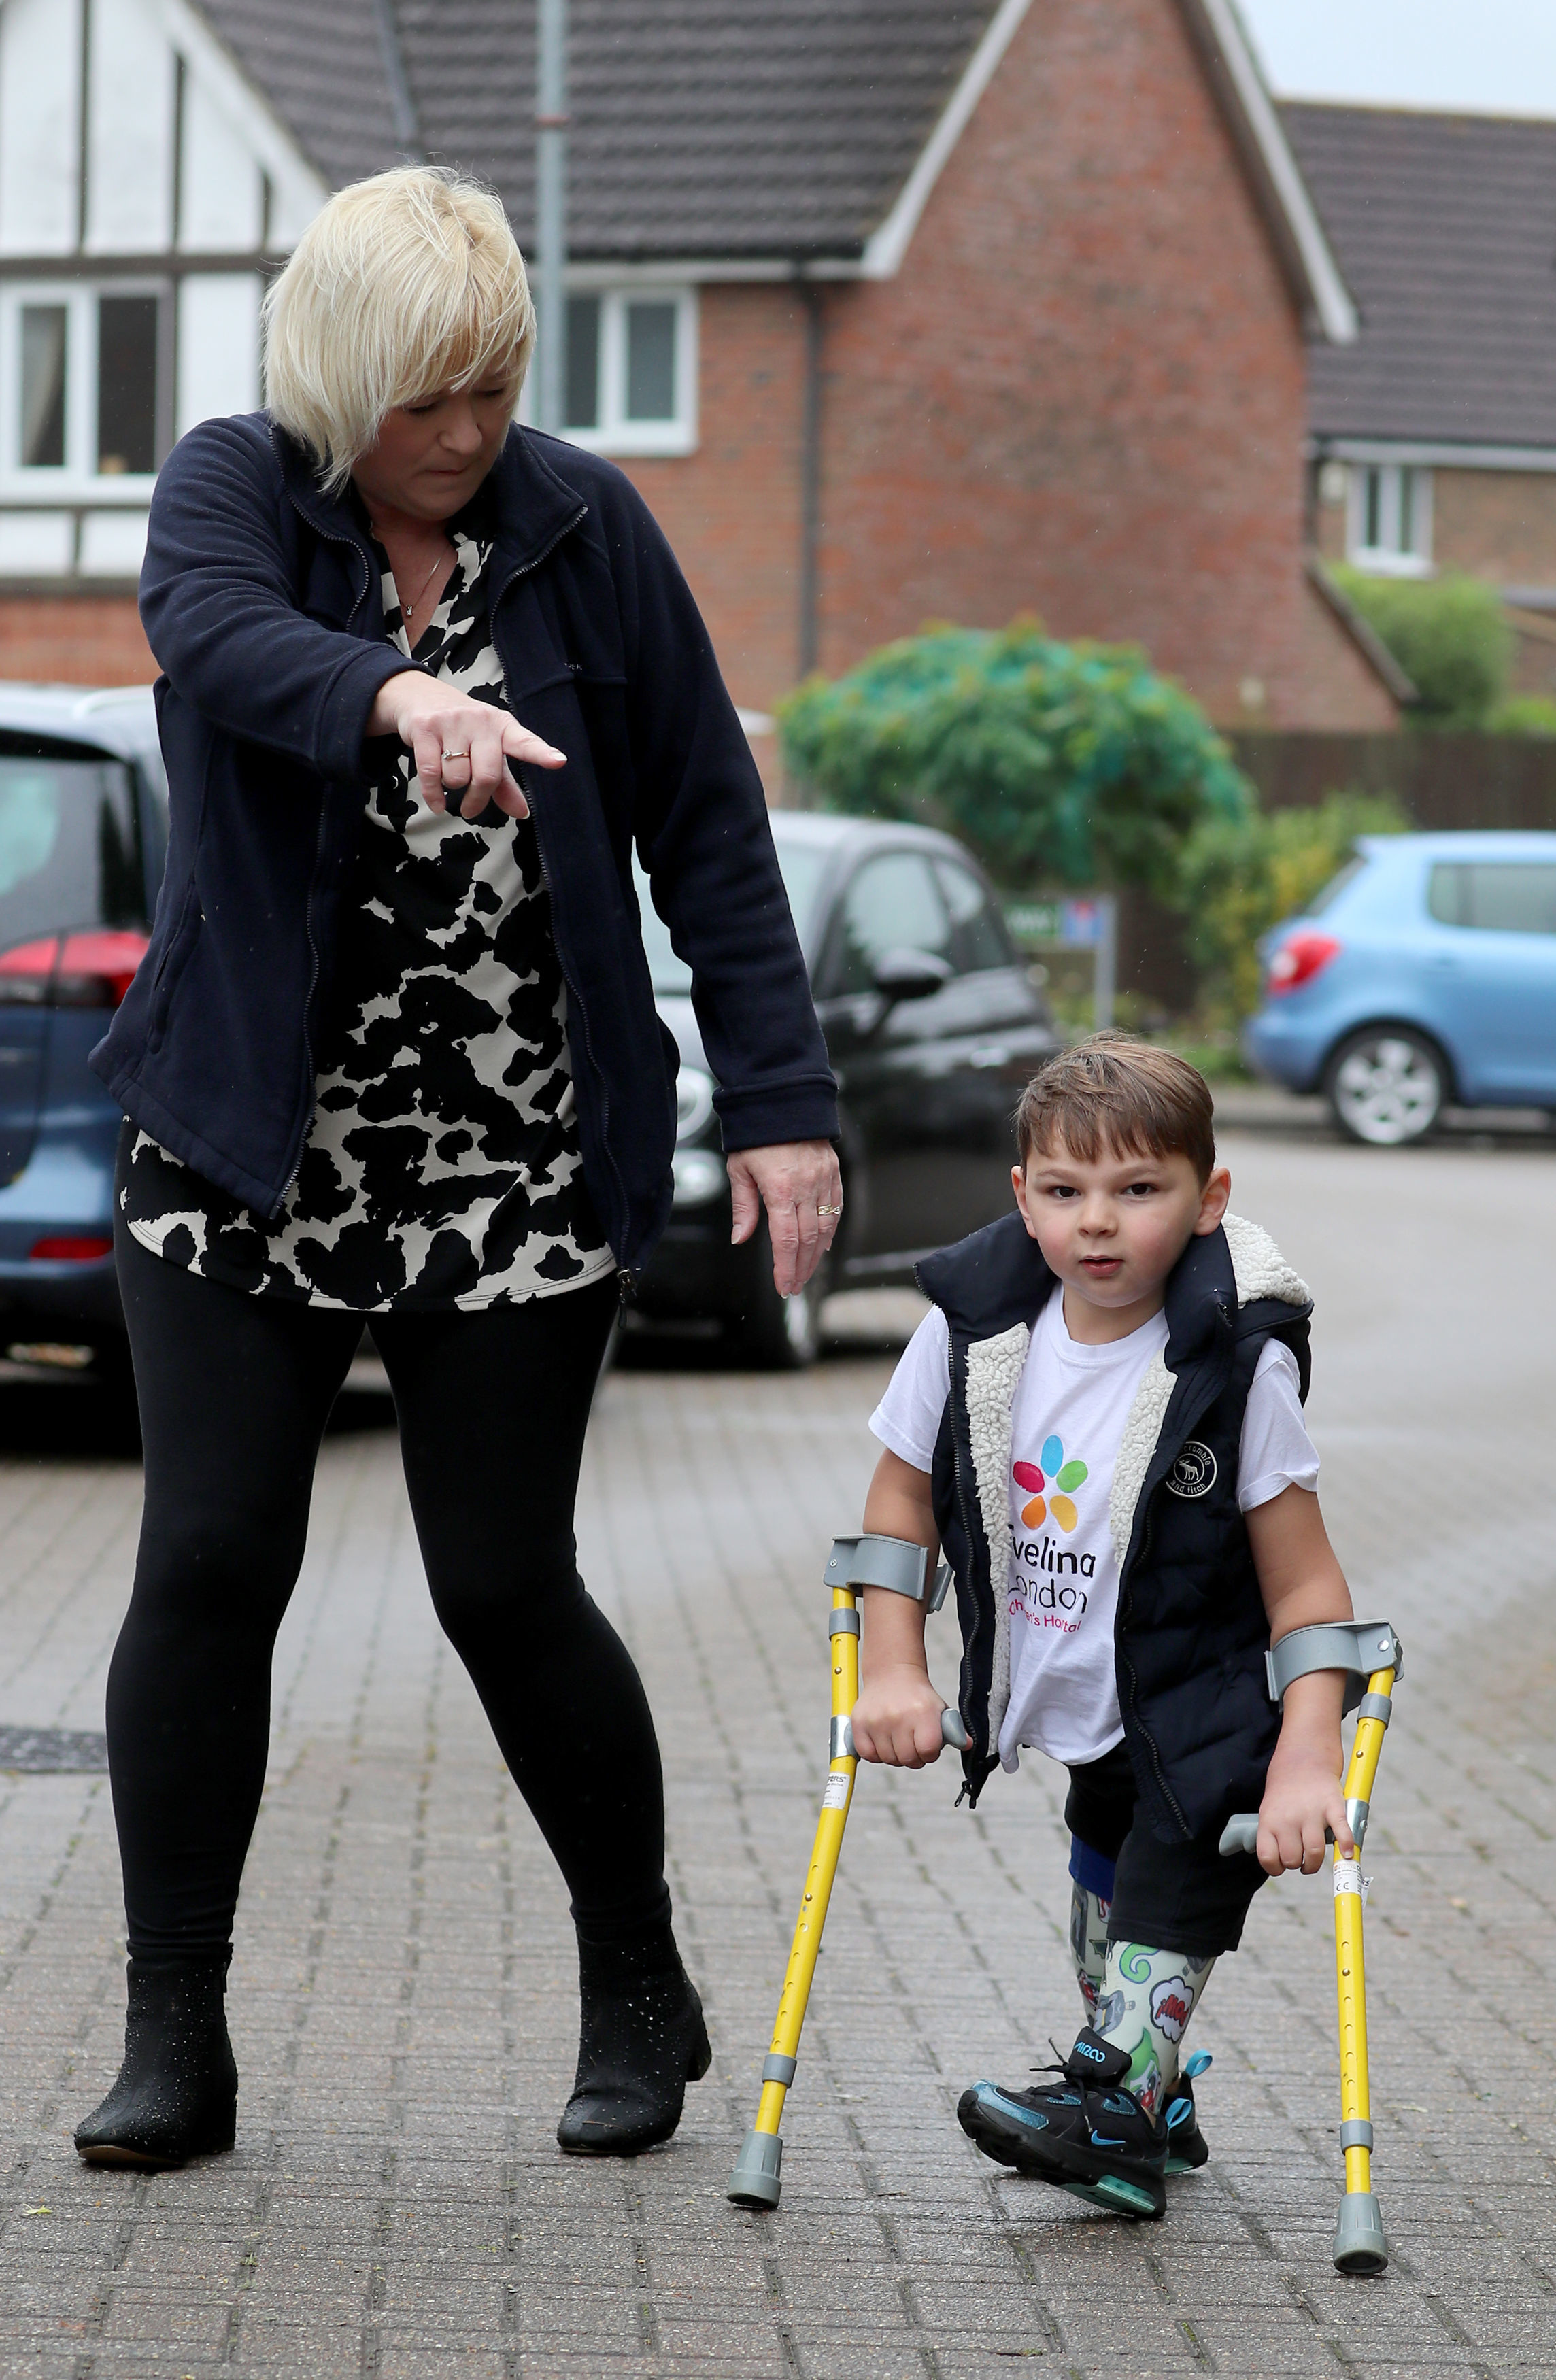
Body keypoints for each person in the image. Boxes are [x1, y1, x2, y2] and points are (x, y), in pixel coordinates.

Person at [75, 166, 842, 2171]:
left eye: (495, 388)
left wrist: (784, 1102)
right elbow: (218, 641)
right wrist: (396, 689)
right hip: (243, 1146)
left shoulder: (586, 526)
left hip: (516, 1156)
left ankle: (637, 1981)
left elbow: (709, 822)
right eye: (433, 396)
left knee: (503, 1577)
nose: (471, 430)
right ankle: (176, 2033)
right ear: (346, 378)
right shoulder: (234, 487)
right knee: (211, 1558)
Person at [848, 1033, 1356, 2219]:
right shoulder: (971, 1337)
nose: (1099, 1223)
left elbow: (1307, 1590)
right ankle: (1153, 2102)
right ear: (1022, 1199)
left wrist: (1305, 1756)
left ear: (1208, 1198)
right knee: (1107, 1895)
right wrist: (893, 1667)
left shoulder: (1236, 1369)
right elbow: (897, 1503)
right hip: (1080, 1702)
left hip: (1207, 1692)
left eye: (1140, 1190)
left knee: (1169, 1890)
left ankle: (1118, 2118)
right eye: (1067, 1192)